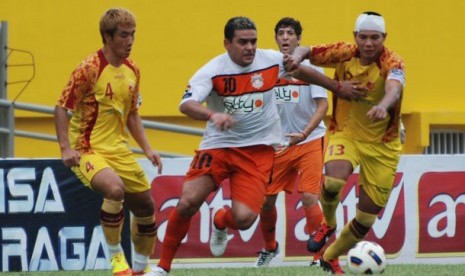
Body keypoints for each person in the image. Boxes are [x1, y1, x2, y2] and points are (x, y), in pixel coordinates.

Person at [146, 16, 360, 276]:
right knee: (188, 201)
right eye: (243, 42)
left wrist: (336, 87)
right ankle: (162, 267)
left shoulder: (269, 60)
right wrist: (213, 116)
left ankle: (220, 220)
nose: (250, 47)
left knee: (245, 220)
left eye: (253, 41)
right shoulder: (212, 70)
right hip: (218, 147)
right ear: (227, 43)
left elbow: (301, 70)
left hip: (258, 151)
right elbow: (186, 104)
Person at [287, 11, 405, 274]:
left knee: (365, 219)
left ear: (384, 38)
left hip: (383, 146)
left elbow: (394, 88)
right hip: (346, 133)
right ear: (356, 37)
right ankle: (328, 223)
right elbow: (306, 51)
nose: (369, 43)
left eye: (375, 38)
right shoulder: (343, 52)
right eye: (363, 37)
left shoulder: (393, 62)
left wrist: (384, 106)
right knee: (333, 182)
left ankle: (329, 256)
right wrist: (296, 57)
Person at [54, 8, 163, 276]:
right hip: (87, 150)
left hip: (119, 150)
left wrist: (148, 149)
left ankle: (140, 268)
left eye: (133, 35)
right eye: (124, 35)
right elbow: (60, 108)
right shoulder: (88, 69)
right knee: (115, 190)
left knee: (146, 207)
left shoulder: (132, 70)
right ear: (107, 36)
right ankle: (116, 258)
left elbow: (133, 114)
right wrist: (66, 148)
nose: (130, 41)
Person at [254, 17, 328, 268]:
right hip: (279, 144)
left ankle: (320, 256)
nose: (285, 37)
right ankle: (269, 247)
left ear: (299, 39)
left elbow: (323, 105)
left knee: (309, 196)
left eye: (290, 33)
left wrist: (305, 133)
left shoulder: (312, 67)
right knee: (265, 201)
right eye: (281, 33)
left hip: (310, 139)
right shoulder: (267, 68)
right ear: (275, 39)